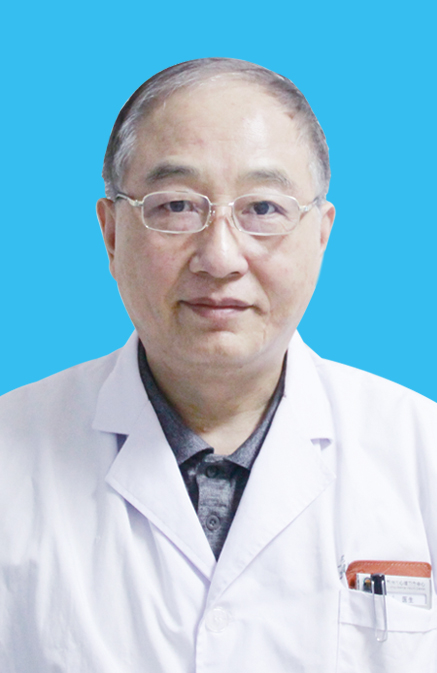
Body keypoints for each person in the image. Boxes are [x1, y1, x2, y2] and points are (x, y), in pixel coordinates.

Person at [0, 58, 436, 673]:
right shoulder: (10, 456)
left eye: (263, 208)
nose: (221, 256)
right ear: (111, 233)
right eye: (177, 205)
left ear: (321, 236)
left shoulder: (423, 455)